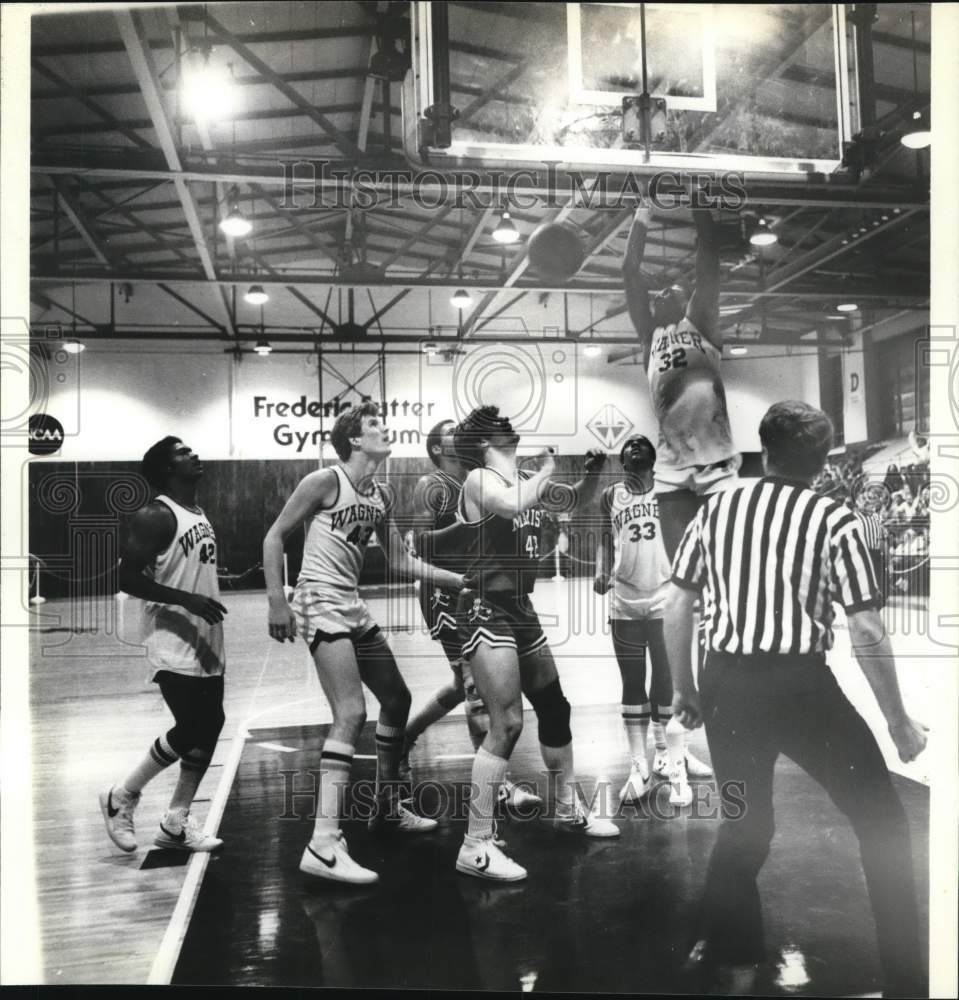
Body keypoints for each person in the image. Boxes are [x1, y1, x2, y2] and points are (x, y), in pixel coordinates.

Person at [664, 401, 927, 997]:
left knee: (746, 825)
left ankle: (729, 956)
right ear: (823, 461)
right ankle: (907, 979)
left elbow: (676, 601)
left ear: (766, 450)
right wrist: (898, 723)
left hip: (728, 682)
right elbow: (864, 628)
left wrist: (685, 688)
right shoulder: (834, 519)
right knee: (881, 821)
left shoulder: (718, 508)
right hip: (802, 687)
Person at [264, 402, 467, 886]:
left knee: (396, 698)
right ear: (353, 439)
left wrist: (458, 579)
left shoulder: (380, 492)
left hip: (351, 604)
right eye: (373, 424)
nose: (383, 428)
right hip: (318, 600)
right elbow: (275, 536)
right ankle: (323, 842)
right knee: (351, 713)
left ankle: (386, 807)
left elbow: (400, 561)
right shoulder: (325, 481)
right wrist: (277, 599)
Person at [450, 405, 618, 884]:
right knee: (505, 723)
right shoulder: (480, 480)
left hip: (519, 608)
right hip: (485, 606)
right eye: (499, 423)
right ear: (484, 442)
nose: (510, 425)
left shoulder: (524, 476)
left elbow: (571, 502)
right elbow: (509, 506)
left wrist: (589, 477)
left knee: (554, 706)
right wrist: (546, 470)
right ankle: (475, 844)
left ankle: (567, 808)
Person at [403, 419, 542, 812]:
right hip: (446, 592)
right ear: (437, 449)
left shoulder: (481, 479)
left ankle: (404, 739)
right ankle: (496, 787)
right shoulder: (433, 486)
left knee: (461, 682)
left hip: (472, 585)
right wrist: (465, 537)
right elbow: (421, 547)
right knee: (474, 686)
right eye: (451, 431)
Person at [100, 437, 227, 854]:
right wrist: (187, 599)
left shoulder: (197, 513)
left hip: (205, 635)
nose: (194, 454)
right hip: (172, 636)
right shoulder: (155, 514)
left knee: (211, 725)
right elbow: (126, 578)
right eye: (183, 452)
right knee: (192, 727)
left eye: (192, 448)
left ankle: (176, 821)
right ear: (166, 469)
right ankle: (122, 794)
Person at [593, 434, 711, 809]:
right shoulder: (611, 496)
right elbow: (602, 538)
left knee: (667, 681)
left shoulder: (669, 493)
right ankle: (639, 765)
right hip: (625, 601)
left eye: (641, 443)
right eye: (627, 446)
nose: (633, 447)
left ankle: (672, 759)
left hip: (663, 597)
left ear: (653, 456)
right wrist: (600, 569)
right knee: (632, 684)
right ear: (622, 460)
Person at [622, 204, 740, 561]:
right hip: (671, 468)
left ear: (687, 298)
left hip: (715, 464)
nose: (660, 293)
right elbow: (629, 271)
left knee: (725, 564)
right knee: (681, 570)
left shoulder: (700, 322)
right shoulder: (649, 335)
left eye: (671, 289)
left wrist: (700, 205)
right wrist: (643, 213)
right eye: (657, 293)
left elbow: (708, 268)